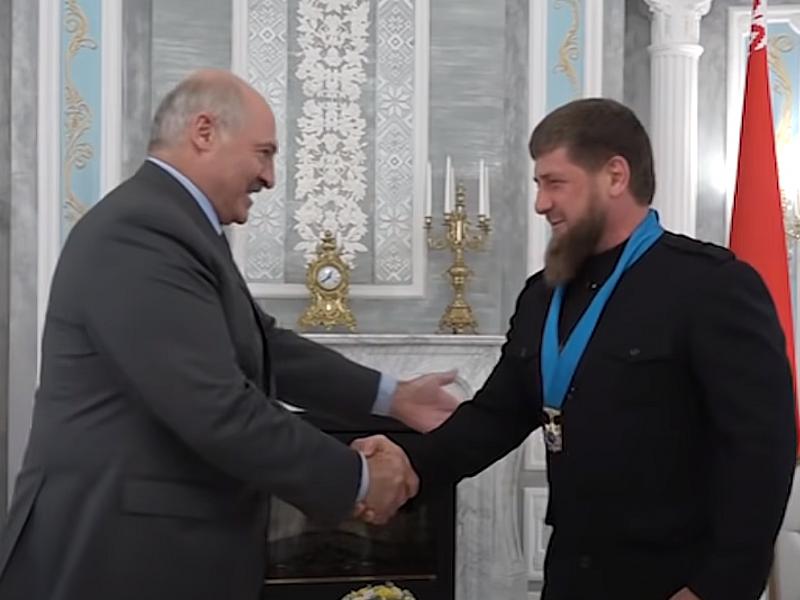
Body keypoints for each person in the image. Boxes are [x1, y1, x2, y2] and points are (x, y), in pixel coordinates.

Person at [0, 69, 458, 600]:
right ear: (204, 132)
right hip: (115, 553)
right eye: (264, 153)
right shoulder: (141, 230)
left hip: (154, 550)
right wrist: (357, 478)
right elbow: (215, 407)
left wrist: (394, 397)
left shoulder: (177, 225)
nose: (270, 177)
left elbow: (266, 346)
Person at [355, 98, 797, 600]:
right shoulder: (542, 295)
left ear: (615, 176)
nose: (540, 203)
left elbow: (763, 449)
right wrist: (411, 465)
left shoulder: (711, 286)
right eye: (538, 184)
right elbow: (495, 417)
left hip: (675, 582)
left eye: (554, 183)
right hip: (572, 576)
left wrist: (717, 588)